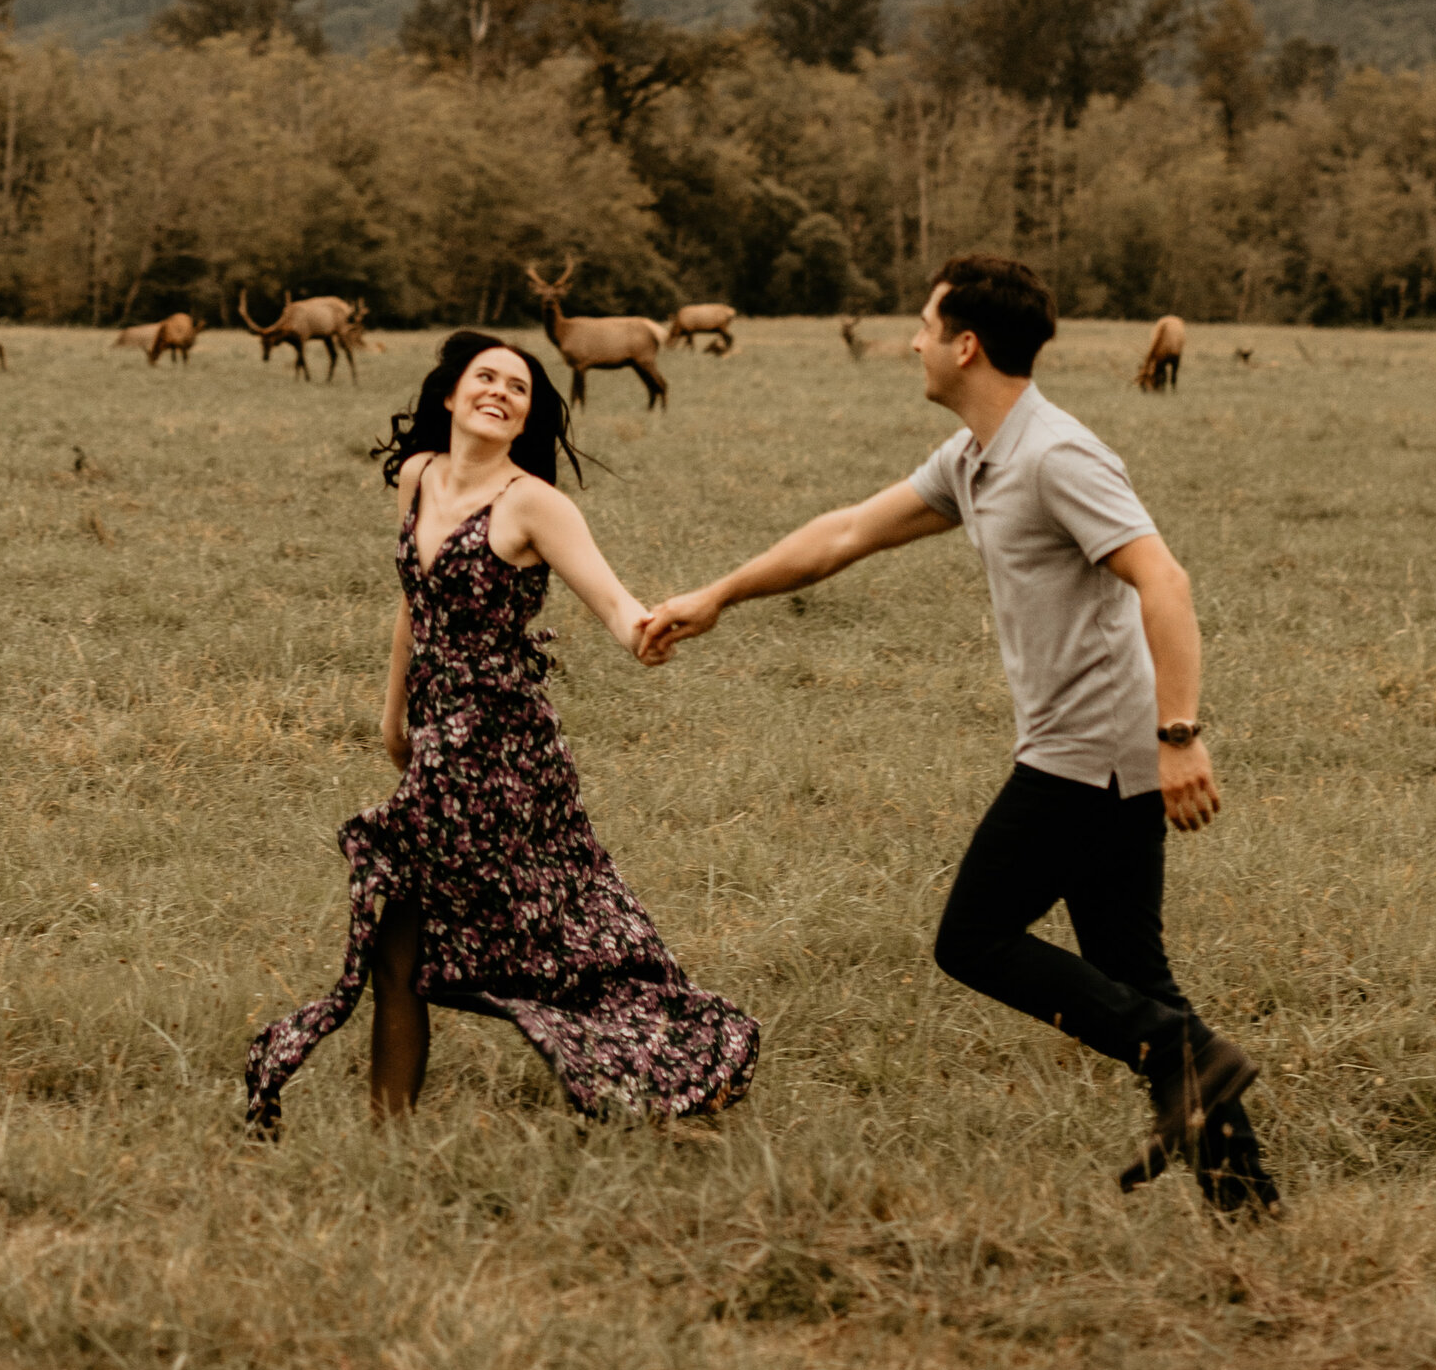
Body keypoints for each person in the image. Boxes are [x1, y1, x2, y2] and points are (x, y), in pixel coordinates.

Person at [637, 252, 1278, 1217]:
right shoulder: (979, 457)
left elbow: (1166, 581)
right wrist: (717, 595)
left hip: (1090, 757)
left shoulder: (1058, 454)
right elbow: (848, 531)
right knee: (1132, 975)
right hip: (1099, 756)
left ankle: (1183, 1057)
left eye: (926, 327)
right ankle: (1246, 1201)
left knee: (973, 939)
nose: (914, 343)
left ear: (965, 345)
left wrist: (1179, 733)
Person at [243, 329, 759, 1133]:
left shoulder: (534, 505)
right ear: (449, 395)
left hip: (504, 753)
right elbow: (415, 606)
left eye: (517, 389)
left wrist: (644, 631)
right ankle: (390, 1138)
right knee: (415, 947)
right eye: (485, 378)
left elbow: (614, 602)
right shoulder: (416, 478)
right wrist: (393, 715)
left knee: (533, 947)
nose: (500, 392)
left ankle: (681, 1061)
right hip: (439, 743)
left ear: (525, 420)